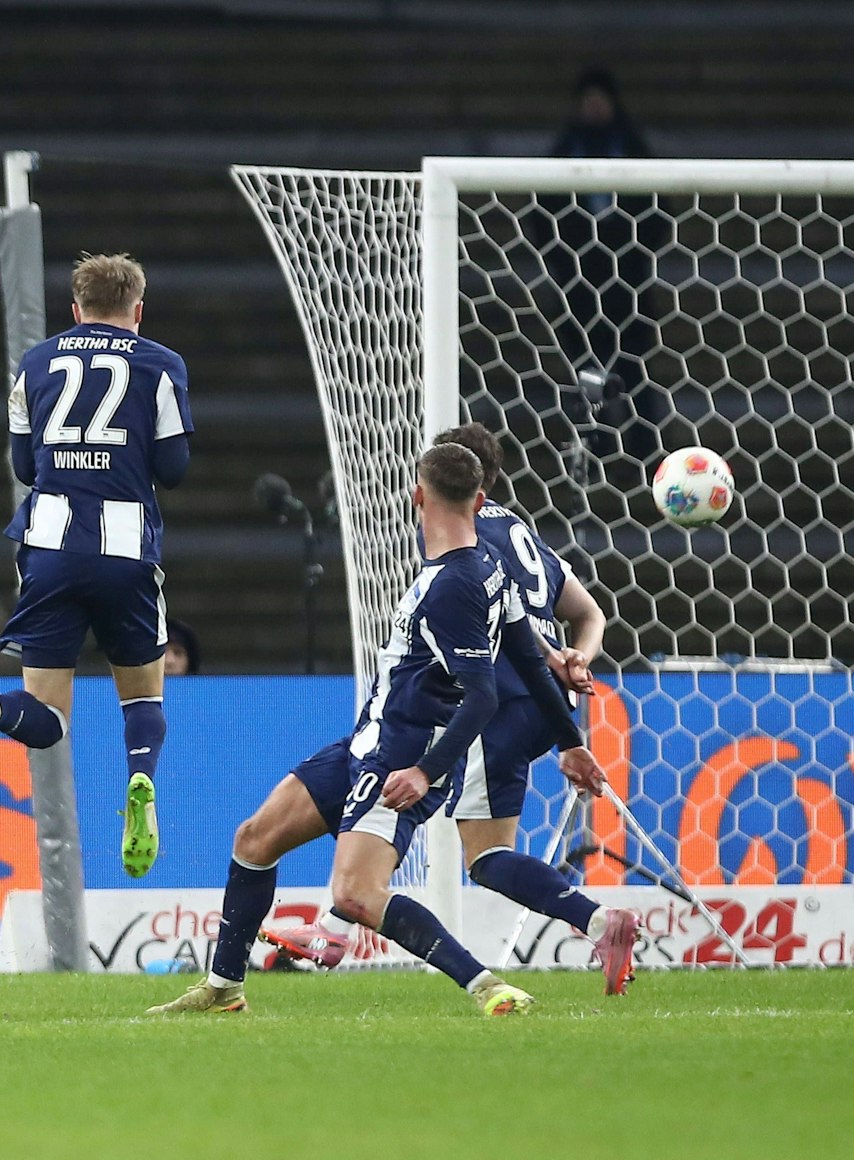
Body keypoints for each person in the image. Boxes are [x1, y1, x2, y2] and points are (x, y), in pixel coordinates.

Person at [149, 444, 605, 1017]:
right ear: (481, 500)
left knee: (355, 895)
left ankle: (488, 986)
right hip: (369, 739)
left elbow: (485, 694)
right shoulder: (485, 573)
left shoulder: (457, 585)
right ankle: (222, 989)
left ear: (417, 496)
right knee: (254, 840)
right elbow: (537, 669)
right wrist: (572, 742)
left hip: (402, 756)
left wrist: (424, 772)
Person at [265, 424, 642, 994]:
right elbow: (587, 613)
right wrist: (575, 660)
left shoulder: (463, 541)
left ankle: (341, 926)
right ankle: (335, 923)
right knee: (462, 840)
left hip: (497, 699)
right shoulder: (519, 530)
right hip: (544, 699)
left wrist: (543, 658)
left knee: (471, 846)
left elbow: (487, 615)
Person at [0, 253, 191, 878]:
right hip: (125, 548)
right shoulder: (162, 365)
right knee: (141, 692)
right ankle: (140, 781)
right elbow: (174, 468)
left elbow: (25, 468)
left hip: (50, 547)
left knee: (47, 718)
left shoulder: (34, 364)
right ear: (138, 310)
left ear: (75, 310)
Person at [539, 67, 664, 463]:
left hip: (627, 286)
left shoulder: (634, 151)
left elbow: (660, 213)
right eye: (587, 101)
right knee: (586, 370)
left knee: (633, 368)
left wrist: (629, 250)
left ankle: (644, 450)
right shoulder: (562, 154)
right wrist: (568, 255)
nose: (594, 109)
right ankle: (594, 448)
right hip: (577, 285)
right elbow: (541, 215)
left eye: (600, 101)